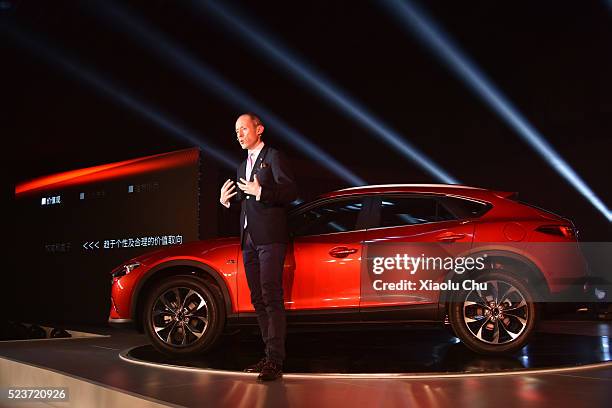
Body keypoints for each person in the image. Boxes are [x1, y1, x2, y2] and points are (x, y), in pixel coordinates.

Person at [219, 112, 297, 381]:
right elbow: (247, 198)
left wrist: (262, 191)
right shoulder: (242, 167)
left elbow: (289, 192)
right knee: (257, 299)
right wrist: (228, 201)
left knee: (271, 296)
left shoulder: (274, 157)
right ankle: (267, 355)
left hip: (270, 238)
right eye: (236, 130)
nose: (238, 134)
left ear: (259, 129)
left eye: (243, 128)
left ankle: (275, 360)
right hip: (248, 240)